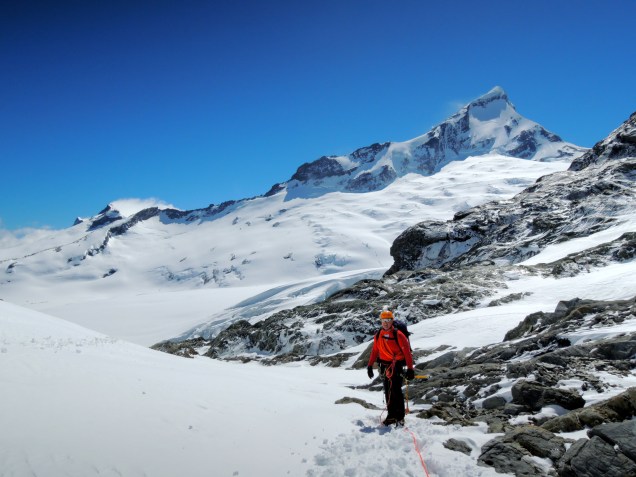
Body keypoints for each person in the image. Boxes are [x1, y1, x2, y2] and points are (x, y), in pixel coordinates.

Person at [367, 310, 415, 426]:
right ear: (381, 321)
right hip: (384, 366)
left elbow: (407, 352)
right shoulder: (379, 334)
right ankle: (391, 415)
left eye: (388, 320)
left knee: (395, 391)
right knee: (388, 390)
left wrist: (410, 369)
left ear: (392, 321)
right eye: (384, 321)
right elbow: (375, 350)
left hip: (396, 366)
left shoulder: (398, 334)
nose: (386, 323)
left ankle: (399, 416)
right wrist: (369, 365)